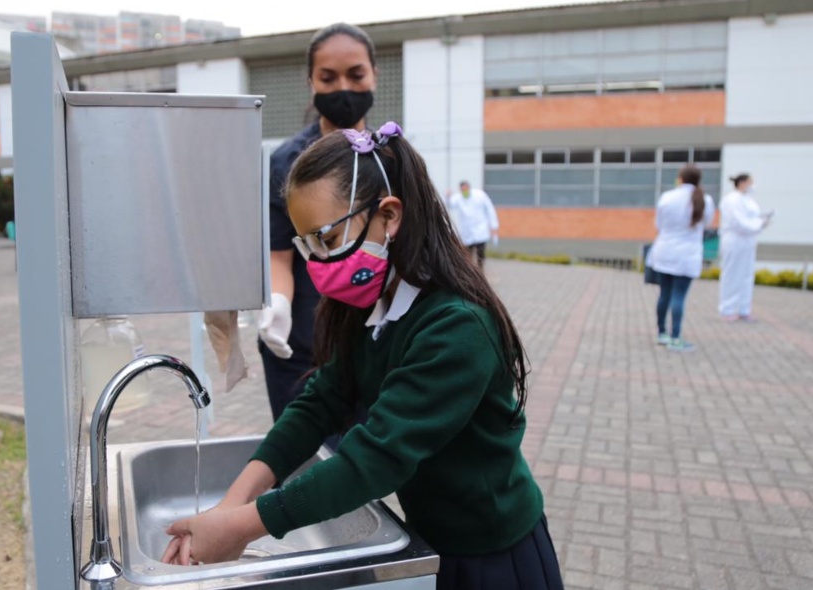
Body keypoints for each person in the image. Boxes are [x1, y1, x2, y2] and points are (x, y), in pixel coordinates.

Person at [162, 123, 563, 590]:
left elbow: (375, 459)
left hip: (491, 553)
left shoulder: (456, 326)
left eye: (327, 239)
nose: (317, 264)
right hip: (431, 537)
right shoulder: (371, 306)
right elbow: (319, 404)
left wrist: (243, 526)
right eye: (306, 245)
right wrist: (231, 505)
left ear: (389, 216)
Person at [258, 22, 379, 422]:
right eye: (328, 77)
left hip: (374, 344)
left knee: (363, 467)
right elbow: (280, 257)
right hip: (304, 347)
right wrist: (279, 304)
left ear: (373, 75)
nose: (343, 87)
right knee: (306, 462)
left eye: (355, 74)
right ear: (311, 81)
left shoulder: (390, 158)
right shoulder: (288, 163)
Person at [646, 165, 716, 352]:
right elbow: (707, 224)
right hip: (687, 255)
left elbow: (658, 224)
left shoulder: (667, 197)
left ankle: (662, 333)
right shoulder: (706, 200)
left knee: (664, 294)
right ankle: (676, 337)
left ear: (680, 178)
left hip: (665, 251)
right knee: (679, 296)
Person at [718, 173, 769, 322]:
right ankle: (727, 309)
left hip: (748, 240)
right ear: (742, 183)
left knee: (746, 275)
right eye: (750, 182)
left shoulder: (748, 200)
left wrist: (761, 222)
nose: (753, 185)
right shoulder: (731, 199)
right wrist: (758, 225)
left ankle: (743, 309)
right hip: (735, 239)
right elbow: (738, 221)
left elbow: (752, 218)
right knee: (732, 274)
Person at [447, 180, 499, 270]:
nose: (465, 191)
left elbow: (490, 209)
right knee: (468, 254)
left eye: (466, 189)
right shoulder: (459, 198)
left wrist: (493, 226)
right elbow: (450, 204)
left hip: (480, 230)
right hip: (467, 232)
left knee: (480, 253)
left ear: (469, 188)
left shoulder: (480, 196)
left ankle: (480, 271)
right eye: (462, 190)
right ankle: (470, 272)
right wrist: (448, 196)